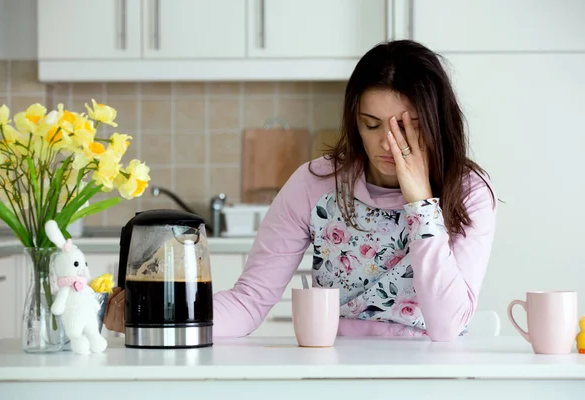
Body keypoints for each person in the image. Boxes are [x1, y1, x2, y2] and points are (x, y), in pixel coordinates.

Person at [104, 39, 497, 342]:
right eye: (372, 125)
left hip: (431, 374)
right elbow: (249, 302)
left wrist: (420, 203)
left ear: (434, 119)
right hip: (333, 369)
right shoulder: (316, 183)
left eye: (405, 127)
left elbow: (446, 326)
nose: (386, 144)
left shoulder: (469, 193)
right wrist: (155, 318)